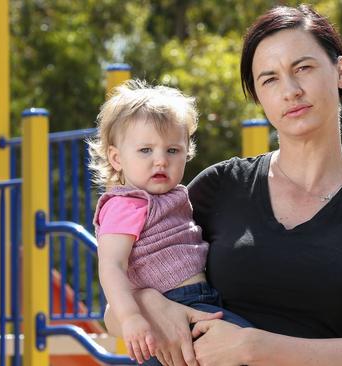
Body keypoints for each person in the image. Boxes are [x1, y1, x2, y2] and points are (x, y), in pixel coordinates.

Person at [105, 5, 342, 366]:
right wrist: (152, 304)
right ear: (258, 96)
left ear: (339, 70)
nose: (290, 90)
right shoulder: (219, 187)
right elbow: (113, 313)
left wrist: (250, 347)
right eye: (269, 79)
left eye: (302, 68)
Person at [89, 80, 252, 364]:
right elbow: (111, 265)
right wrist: (131, 318)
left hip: (200, 301)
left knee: (249, 343)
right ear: (116, 158)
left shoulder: (177, 196)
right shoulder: (126, 203)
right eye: (145, 150)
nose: (161, 161)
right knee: (247, 344)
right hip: (168, 308)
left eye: (173, 150)